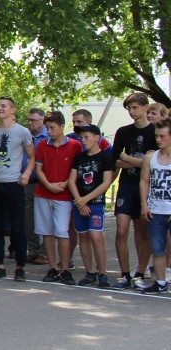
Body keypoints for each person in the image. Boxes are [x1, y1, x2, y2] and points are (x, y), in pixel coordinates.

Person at [0, 96, 35, 282]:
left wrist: (26, 173)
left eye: (3, 106)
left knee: (17, 226)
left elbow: (32, 156)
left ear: (12, 110)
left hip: (14, 184)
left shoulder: (22, 132)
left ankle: (20, 267)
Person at [111, 92, 156, 290]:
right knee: (121, 229)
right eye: (129, 108)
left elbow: (156, 162)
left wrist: (129, 159)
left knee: (142, 230)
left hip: (146, 186)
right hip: (126, 184)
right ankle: (124, 274)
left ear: (146, 107)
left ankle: (140, 272)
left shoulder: (155, 131)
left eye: (135, 107)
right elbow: (115, 158)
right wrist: (141, 161)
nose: (132, 111)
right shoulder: (123, 132)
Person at [34, 111, 81, 285]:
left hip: (64, 194)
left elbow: (75, 169)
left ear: (62, 126)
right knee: (46, 232)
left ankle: (66, 269)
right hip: (44, 193)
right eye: (47, 128)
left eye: (52, 127)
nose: (50, 131)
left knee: (62, 231)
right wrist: (48, 184)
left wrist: (66, 183)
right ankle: (52, 267)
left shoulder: (75, 145)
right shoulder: (42, 145)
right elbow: (39, 169)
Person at [68, 124, 115, 288]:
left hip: (96, 203)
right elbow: (72, 181)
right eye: (81, 137)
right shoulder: (79, 158)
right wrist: (79, 201)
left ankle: (102, 273)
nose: (83, 140)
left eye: (87, 137)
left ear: (97, 137)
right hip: (79, 203)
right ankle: (90, 272)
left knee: (96, 237)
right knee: (84, 237)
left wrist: (86, 199)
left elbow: (106, 182)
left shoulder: (105, 158)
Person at [139, 119, 171, 294]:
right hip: (156, 209)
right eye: (156, 136)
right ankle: (160, 282)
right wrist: (145, 204)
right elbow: (144, 181)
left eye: (162, 136)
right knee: (157, 248)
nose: (158, 139)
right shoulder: (151, 157)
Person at [24, 107, 49, 265]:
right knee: (28, 218)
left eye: (34, 120)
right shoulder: (25, 136)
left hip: (44, 182)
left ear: (43, 121)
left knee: (45, 218)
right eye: (29, 120)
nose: (30, 123)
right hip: (27, 182)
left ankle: (45, 253)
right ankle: (32, 250)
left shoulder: (49, 137)